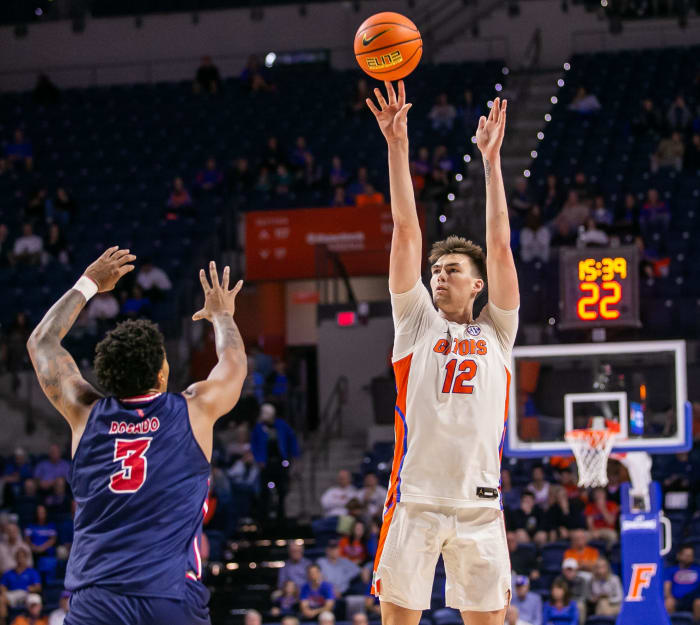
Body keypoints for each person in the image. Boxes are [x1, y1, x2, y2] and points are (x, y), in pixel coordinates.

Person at [27, 248, 248, 625]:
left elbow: (42, 342)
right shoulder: (195, 410)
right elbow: (233, 364)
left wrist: (90, 283)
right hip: (171, 599)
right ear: (162, 374)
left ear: (105, 376)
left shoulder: (84, 411)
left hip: (98, 602)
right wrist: (222, 316)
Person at [366, 83, 518, 623]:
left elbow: (498, 244)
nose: (439, 275)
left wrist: (492, 162)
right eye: (436, 270)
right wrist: (396, 144)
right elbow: (406, 230)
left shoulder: (499, 331)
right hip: (415, 501)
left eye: (452, 269)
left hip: (480, 506)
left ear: (478, 286)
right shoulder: (415, 323)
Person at [251, 402, 300, 522]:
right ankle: (263, 518)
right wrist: (259, 460)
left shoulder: (281, 425)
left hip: (280, 462)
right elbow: (254, 445)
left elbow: (291, 439)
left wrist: (295, 455)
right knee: (265, 490)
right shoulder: (258, 427)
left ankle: (280, 516)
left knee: (282, 489)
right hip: (266, 464)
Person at [664, 544, 700, 620]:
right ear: (678, 556)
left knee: (699, 603)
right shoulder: (671, 570)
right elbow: (667, 586)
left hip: (693, 599)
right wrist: (669, 597)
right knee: (668, 603)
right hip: (677, 599)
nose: (688, 558)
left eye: (690, 555)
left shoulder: (698, 570)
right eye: (686, 555)